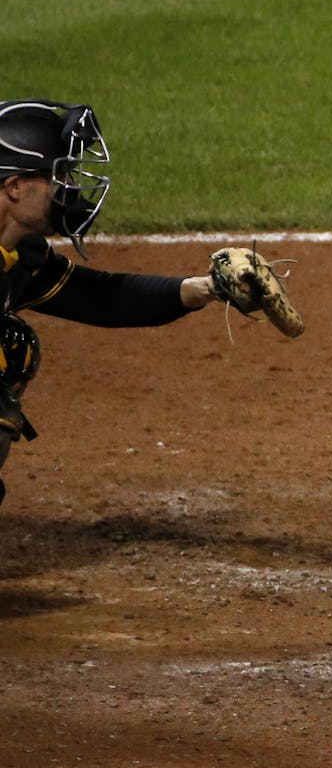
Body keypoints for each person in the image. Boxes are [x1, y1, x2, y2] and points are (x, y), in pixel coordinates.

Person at [0, 98, 222, 505]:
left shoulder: (17, 257)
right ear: (15, 187)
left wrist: (203, 288)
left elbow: (103, 299)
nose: (70, 188)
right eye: (58, 175)